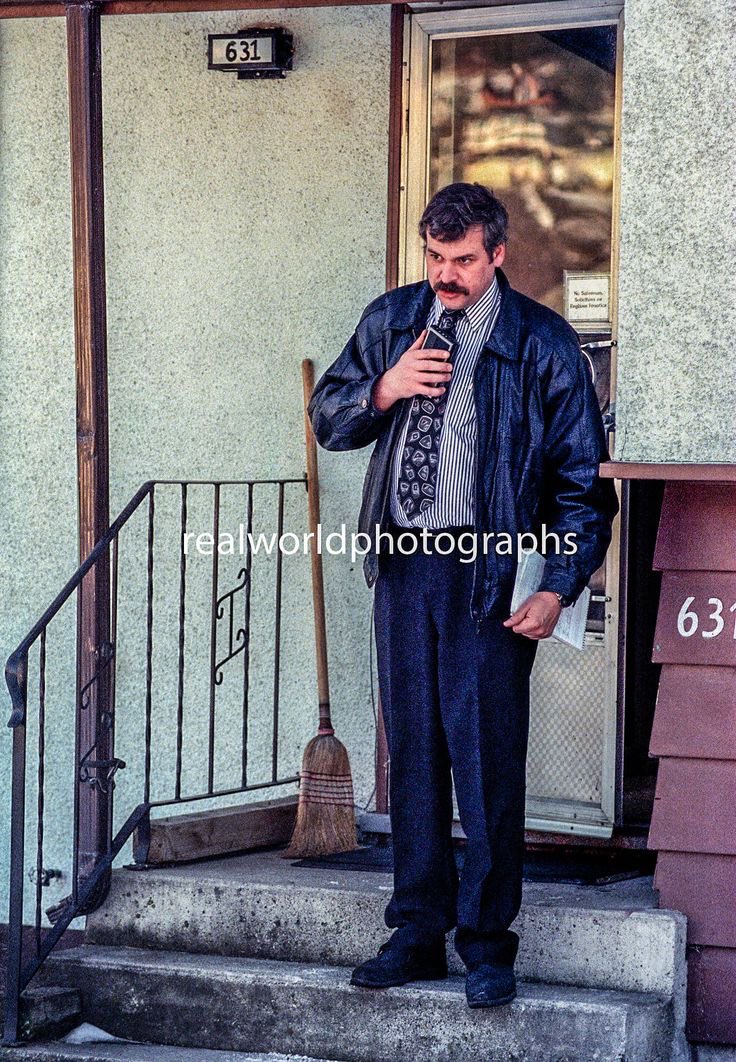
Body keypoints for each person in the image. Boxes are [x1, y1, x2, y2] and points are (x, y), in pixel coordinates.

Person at [308, 182, 618, 1008]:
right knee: (411, 753)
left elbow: (583, 487)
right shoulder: (392, 321)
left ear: (498, 255)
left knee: (484, 759)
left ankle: (486, 943)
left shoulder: (544, 346)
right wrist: (385, 388)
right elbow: (329, 416)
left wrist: (559, 586)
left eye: (463, 261)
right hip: (406, 564)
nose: (446, 276)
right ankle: (416, 931)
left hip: (491, 574)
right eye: (435, 258)